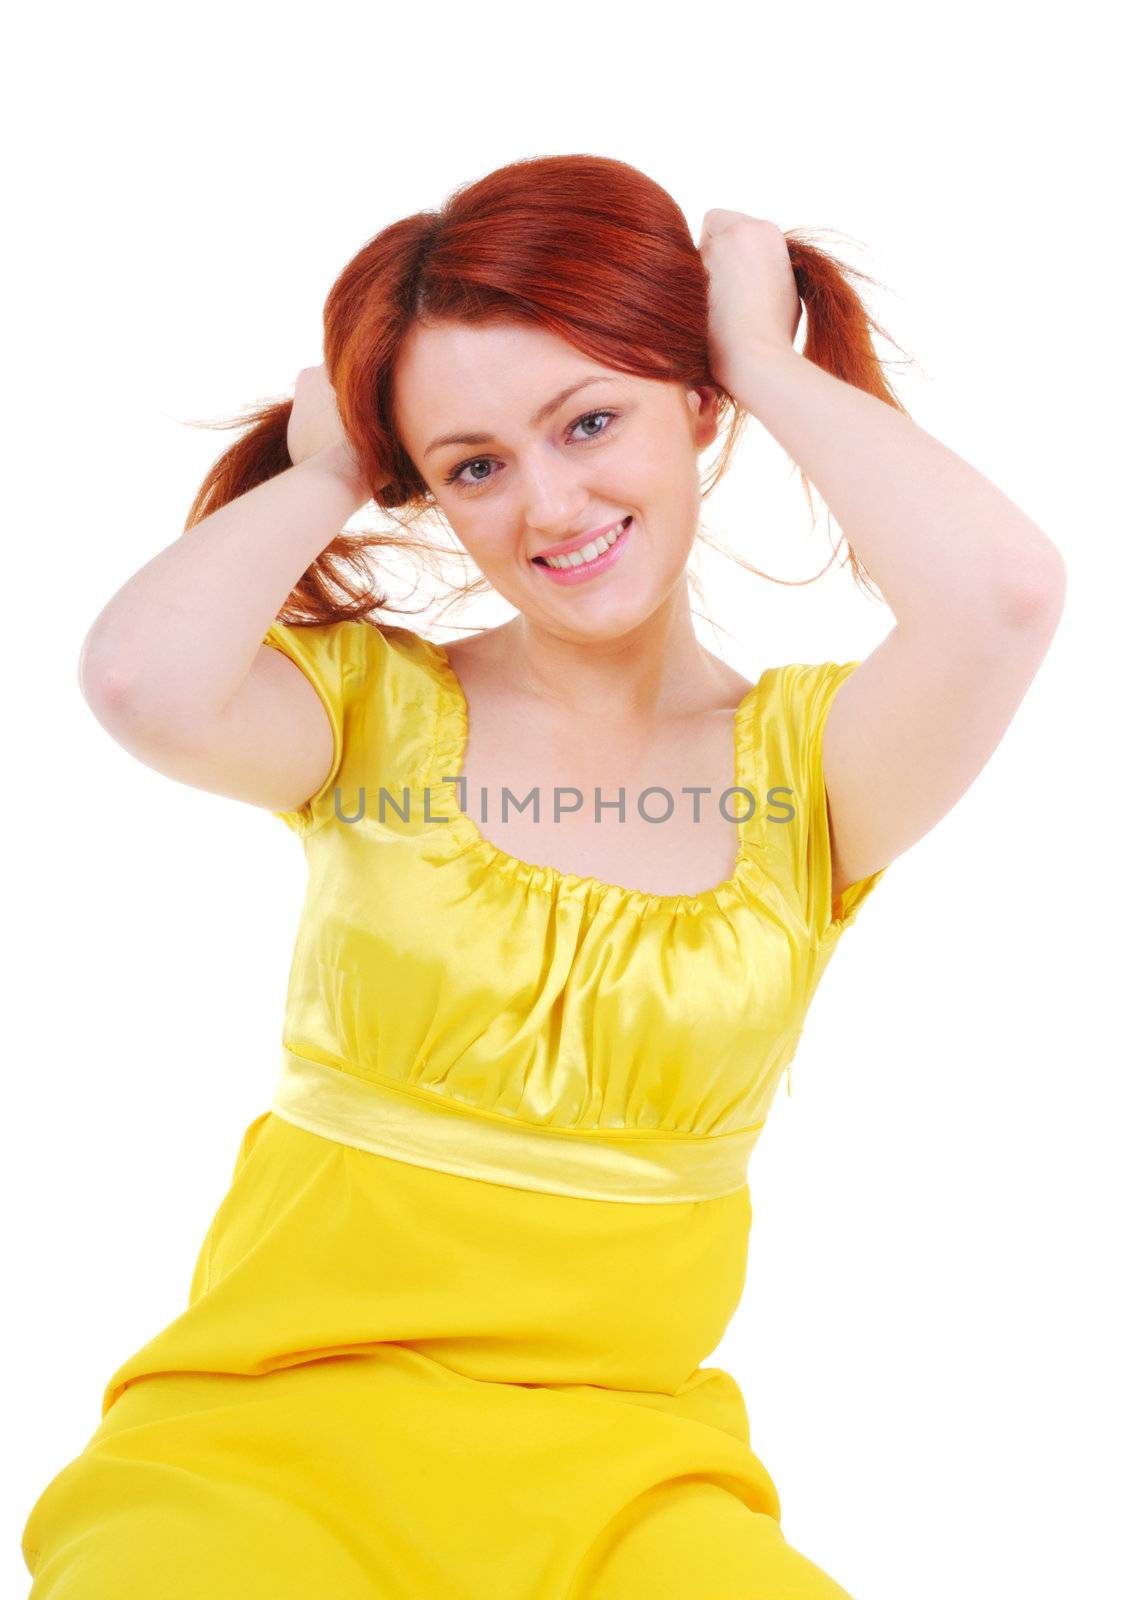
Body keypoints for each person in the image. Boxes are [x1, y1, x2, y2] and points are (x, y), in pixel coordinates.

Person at [21, 154, 1066, 1598]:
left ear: (693, 409)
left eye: (590, 421)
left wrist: (760, 356)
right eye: (472, 466)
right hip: (264, 1455)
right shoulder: (366, 717)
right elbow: (137, 681)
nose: (550, 503)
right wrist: (338, 459)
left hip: (623, 1480)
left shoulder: (813, 772)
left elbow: (1002, 595)